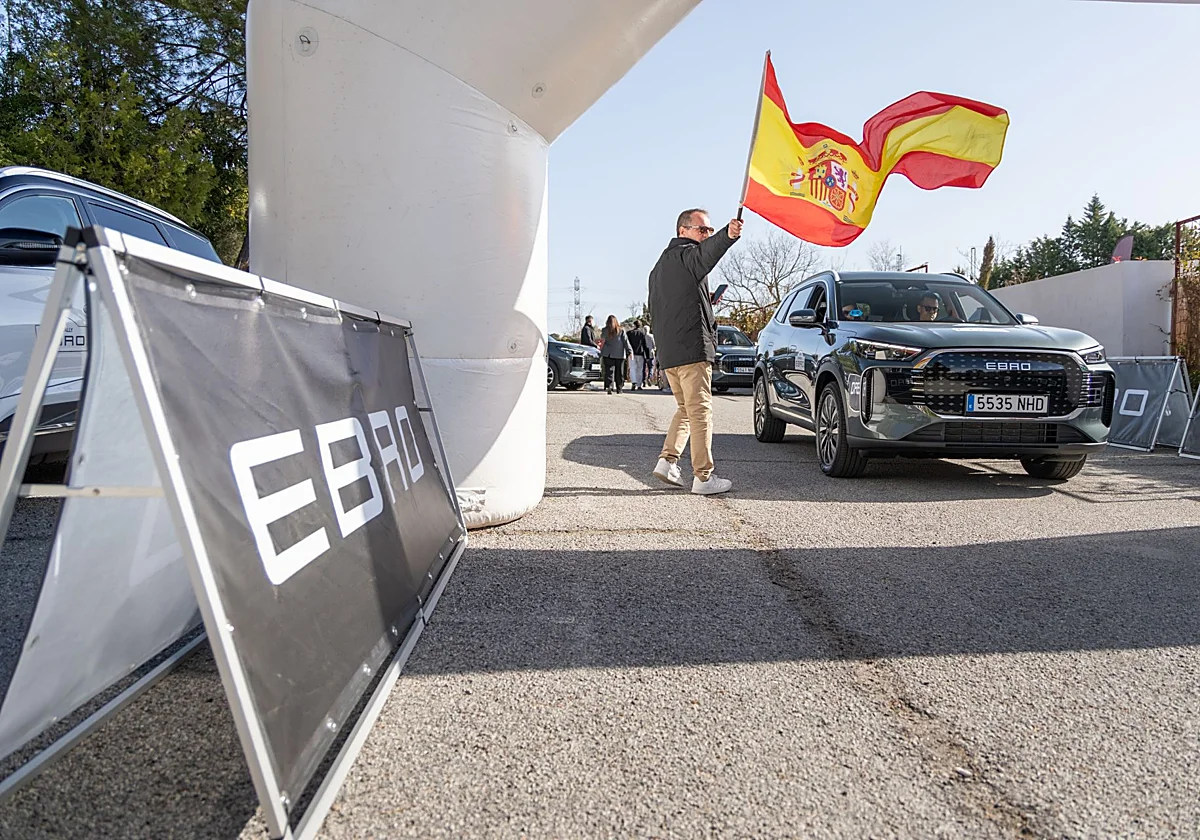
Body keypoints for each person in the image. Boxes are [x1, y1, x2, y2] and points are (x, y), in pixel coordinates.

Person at [647, 208, 742, 495]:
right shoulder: (687, 255)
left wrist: (705, 300)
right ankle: (703, 477)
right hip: (692, 350)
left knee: (686, 410)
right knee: (701, 411)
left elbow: (667, 306)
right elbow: (705, 255)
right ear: (683, 231)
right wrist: (727, 235)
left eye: (710, 231)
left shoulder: (660, 267)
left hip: (670, 353)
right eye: (702, 230)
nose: (707, 235)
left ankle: (667, 461)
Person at [598, 314, 633, 394]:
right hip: (619, 354)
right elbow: (625, 342)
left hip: (608, 354)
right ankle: (619, 388)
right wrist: (630, 351)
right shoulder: (621, 330)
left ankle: (609, 386)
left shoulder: (605, 330)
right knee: (619, 372)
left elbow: (602, 340)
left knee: (609, 371)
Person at [627, 319, 649, 390]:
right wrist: (647, 355)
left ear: (634, 325)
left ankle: (634, 382)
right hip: (640, 353)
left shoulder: (629, 333)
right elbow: (645, 345)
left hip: (632, 353)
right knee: (640, 369)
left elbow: (627, 344)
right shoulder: (642, 333)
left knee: (632, 368)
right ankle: (639, 384)